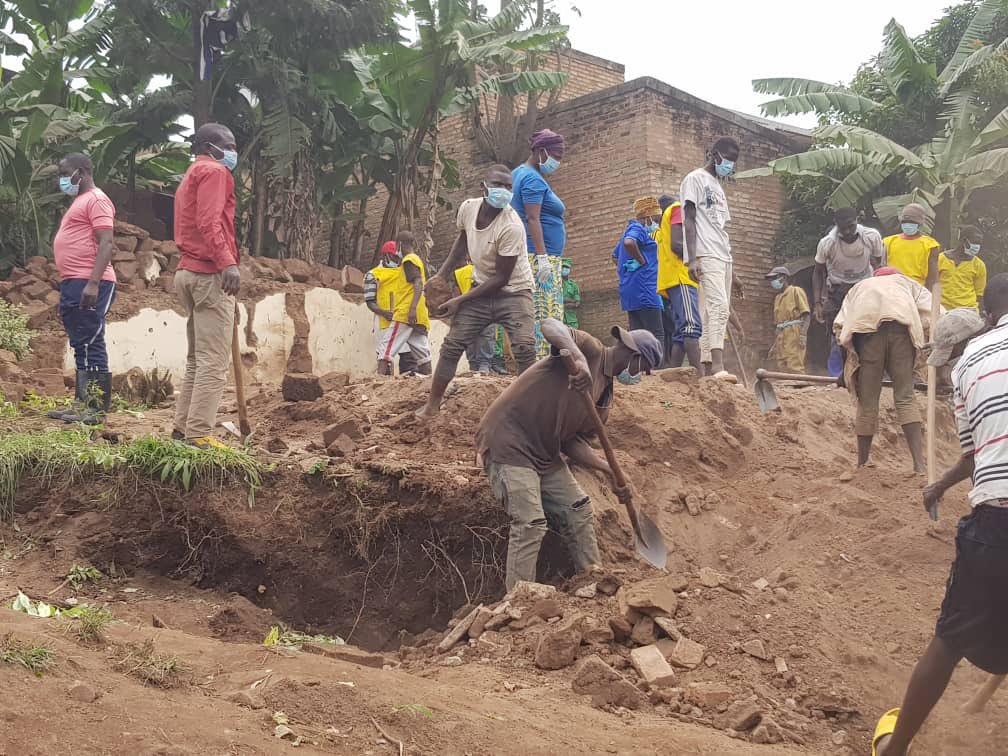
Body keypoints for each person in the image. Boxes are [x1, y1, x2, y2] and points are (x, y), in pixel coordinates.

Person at [872, 289, 1002, 756]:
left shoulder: (972, 364)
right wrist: (940, 486)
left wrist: (939, 487)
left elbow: (977, 453)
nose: (947, 370)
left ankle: (895, 750)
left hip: (998, 521)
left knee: (949, 639)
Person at [475, 317, 663, 590]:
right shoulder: (591, 349)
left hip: (544, 452)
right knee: (531, 523)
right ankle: (520, 600)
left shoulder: (604, 400)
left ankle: (592, 580)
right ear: (634, 355)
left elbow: (572, 443)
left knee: (579, 508)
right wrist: (579, 360)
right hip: (509, 441)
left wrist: (608, 469)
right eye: (643, 368)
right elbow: (549, 325)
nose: (640, 375)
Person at [417, 165, 536, 419]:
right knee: (451, 346)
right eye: (498, 185)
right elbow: (462, 241)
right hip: (480, 287)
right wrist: (442, 274)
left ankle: (530, 411)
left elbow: (501, 278)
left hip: (514, 292)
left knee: (525, 348)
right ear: (484, 186)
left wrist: (459, 300)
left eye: (508, 187)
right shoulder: (468, 208)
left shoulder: (512, 226)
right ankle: (432, 405)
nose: (504, 191)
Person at [171, 122, 241, 450]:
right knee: (213, 361)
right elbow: (209, 222)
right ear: (210, 147)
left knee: (197, 359)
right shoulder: (215, 171)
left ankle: (182, 429)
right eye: (229, 145)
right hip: (208, 275)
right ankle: (198, 435)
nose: (233, 152)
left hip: (187, 273)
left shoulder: (191, 174)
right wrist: (228, 262)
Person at [834, 267, 933, 473]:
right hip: (902, 334)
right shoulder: (907, 283)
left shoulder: (860, 287)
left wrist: (846, 370)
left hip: (868, 337)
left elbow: (841, 327)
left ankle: (862, 464)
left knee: (867, 401)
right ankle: (919, 465)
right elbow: (934, 313)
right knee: (905, 397)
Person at [46, 153, 117, 425]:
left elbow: (106, 242)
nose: (62, 179)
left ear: (82, 172)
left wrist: (93, 283)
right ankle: (82, 403)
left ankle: (95, 407)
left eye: (66, 174)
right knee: (80, 342)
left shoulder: (97, 199)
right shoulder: (80, 201)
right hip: (74, 281)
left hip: (90, 281)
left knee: (90, 339)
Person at [681, 136, 744, 377]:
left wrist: (733, 272)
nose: (730, 165)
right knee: (719, 307)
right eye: (728, 159)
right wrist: (692, 258)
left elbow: (720, 229)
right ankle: (718, 365)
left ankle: (707, 366)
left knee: (710, 311)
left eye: (734, 161)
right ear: (715, 155)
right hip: (705, 252)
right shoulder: (694, 179)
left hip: (723, 255)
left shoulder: (718, 187)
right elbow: (689, 219)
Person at [511, 129, 567, 359]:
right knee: (546, 316)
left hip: (534, 255)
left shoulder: (518, 173)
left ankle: (534, 362)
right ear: (541, 151)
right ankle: (543, 364)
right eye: (556, 155)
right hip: (539, 258)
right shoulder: (532, 178)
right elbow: (532, 218)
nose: (558, 162)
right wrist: (543, 258)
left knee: (534, 313)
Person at [813, 207, 884, 375]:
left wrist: (879, 292)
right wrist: (817, 302)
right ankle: (837, 375)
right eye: (842, 228)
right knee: (837, 334)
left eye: (851, 226)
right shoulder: (827, 243)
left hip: (863, 289)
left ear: (857, 220)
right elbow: (818, 272)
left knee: (866, 331)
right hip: (837, 291)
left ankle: (865, 374)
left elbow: (878, 263)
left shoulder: (871, 236)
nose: (847, 232)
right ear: (836, 225)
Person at [367, 231, 432, 377]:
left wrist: (412, 308)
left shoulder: (408, 260)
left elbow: (418, 283)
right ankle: (429, 379)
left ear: (399, 244)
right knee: (422, 351)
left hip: (405, 313)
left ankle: (378, 380)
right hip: (419, 314)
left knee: (386, 348)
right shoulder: (416, 260)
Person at [655, 194, 701, 368]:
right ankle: (700, 374)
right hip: (682, 277)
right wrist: (695, 260)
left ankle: (675, 373)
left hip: (670, 281)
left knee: (681, 331)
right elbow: (677, 245)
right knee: (691, 326)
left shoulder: (662, 226)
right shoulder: (676, 209)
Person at [612, 197, 664, 348]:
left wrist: (627, 271)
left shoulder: (628, 230)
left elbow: (615, 256)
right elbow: (629, 243)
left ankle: (641, 363)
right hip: (645, 290)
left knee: (637, 337)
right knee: (656, 335)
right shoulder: (638, 228)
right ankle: (657, 363)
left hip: (630, 292)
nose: (656, 223)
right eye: (655, 218)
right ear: (647, 217)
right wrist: (642, 262)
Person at [453, 257, 496, 374]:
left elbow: (457, 293)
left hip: (466, 309)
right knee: (486, 336)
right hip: (486, 307)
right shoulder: (487, 270)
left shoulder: (459, 273)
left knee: (470, 338)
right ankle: (484, 365)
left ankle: (473, 365)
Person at [883, 203, 941, 288]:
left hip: (916, 288)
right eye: (905, 222)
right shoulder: (888, 242)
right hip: (892, 287)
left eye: (912, 222)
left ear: (920, 223)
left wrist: (929, 294)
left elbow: (933, 278)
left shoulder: (930, 245)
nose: (908, 225)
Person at [765, 266, 810, 373]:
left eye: (775, 278)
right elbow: (778, 324)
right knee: (781, 364)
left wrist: (803, 335)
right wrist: (774, 345)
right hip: (781, 334)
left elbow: (806, 315)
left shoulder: (796, 291)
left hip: (794, 331)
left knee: (794, 362)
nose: (772, 282)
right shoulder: (778, 298)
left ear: (784, 278)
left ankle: (798, 382)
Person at [938, 225, 987, 312]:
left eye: (979, 244)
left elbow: (980, 294)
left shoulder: (979, 265)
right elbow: (931, 284)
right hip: (942, 309)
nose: (977, 246)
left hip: (967, 311)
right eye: (975, 242)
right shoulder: (941, 259)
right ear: (964, 240)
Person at [561, 258, 581, 330]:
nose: (565, 269)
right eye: (563, 267)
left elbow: (577, 303)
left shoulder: (573, 285)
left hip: (572, 320)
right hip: (560, 319)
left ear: (569, 269)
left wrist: (563, 304)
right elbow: (557, 300)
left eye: (567, 267)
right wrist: (571, 301)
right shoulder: (557, 284)